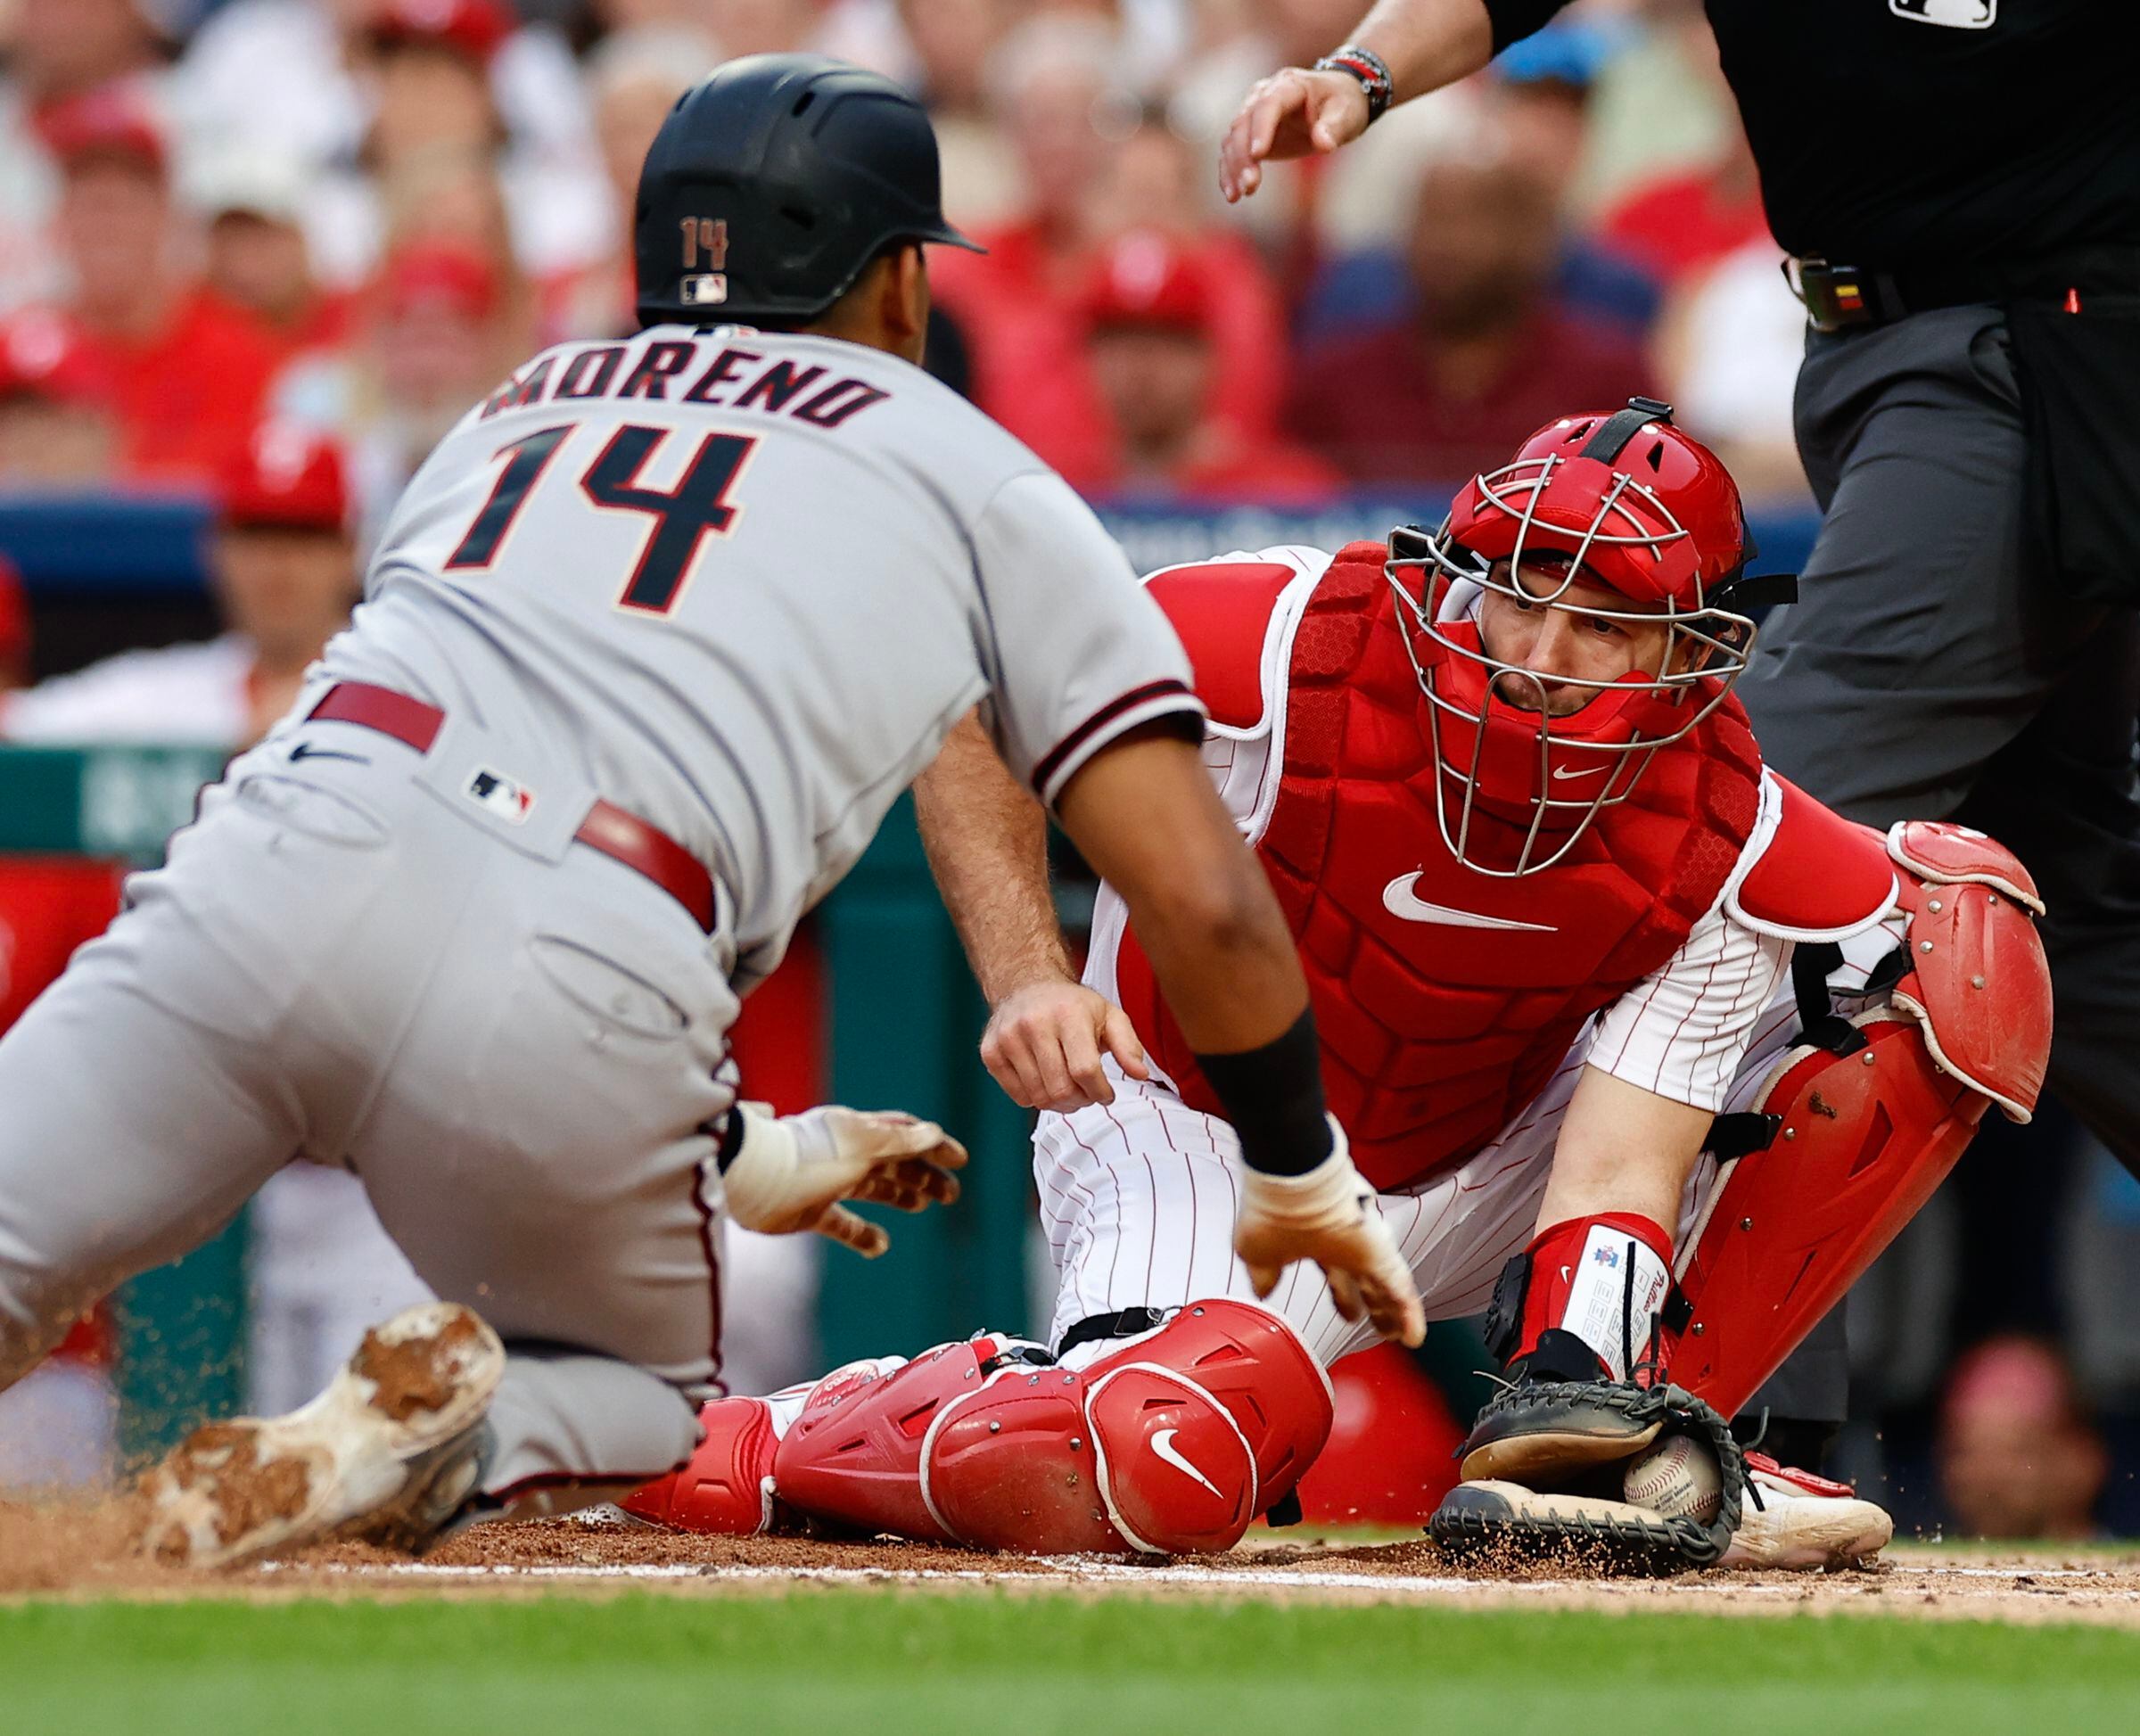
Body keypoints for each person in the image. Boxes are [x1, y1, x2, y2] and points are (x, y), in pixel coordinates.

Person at [0, 54, 1418, 1567]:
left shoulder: (502, 416)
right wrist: (1295, 1169)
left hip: (255, 869)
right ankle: (408, 1431)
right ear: (890, 289)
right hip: (582, 952)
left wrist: (733, 1143)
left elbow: (437, 844)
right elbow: (1200, 899)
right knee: (637, 1414)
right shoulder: (961, 466)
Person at [622, 401, 2050, 1571]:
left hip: (1493, 1144)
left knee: (1958, 946)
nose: (1540, 660)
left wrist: (1577, 1365)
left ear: (1693, 659)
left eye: (1603, 624)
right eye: (1519, 597)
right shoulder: (1285, 643)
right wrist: (1025, 976)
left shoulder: (1720, 826)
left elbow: (1626, 1147)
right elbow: (974, 700)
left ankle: (1646, 1456)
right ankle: (743, 1440)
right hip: (1199, 1130)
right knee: (1158, 1459)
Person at [1219, 0, 2140, 1477]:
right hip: (1889, 356)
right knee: (2088, 913)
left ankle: (1674, 1402)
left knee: (1737, 841)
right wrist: (1355, 73)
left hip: (2041, 355)